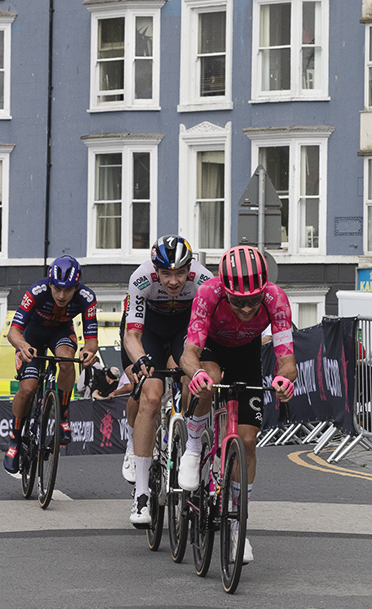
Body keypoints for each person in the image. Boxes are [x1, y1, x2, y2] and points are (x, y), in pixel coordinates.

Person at [179, 245, 296, 564]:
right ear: (225, 290)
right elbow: (189, 352)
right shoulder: (208, 292)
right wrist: (197, 373)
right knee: (209, 378)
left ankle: (236, 526)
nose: (246, 309)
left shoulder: (275, 297)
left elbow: (287, 359)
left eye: (253, 301)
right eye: (238, 302)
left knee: (247, 441)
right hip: (213, 347)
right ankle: (192, 446)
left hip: (247, 353)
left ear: (264, 290)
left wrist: (285, 380)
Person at [123, 235, 213, 527]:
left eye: (179, 273)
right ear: (155, 270)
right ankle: (141, 494)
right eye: (166, 274)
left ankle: (186, 440)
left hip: (183, 330)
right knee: (150, 395)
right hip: (147, 330)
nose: (174, 281)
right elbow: (132, 335)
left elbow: (204, 333)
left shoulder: (203, 279)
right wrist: (141, 360)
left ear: (190, 267)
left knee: (192, 380)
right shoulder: (140, 279)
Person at [3, 255, 99, 474]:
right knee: (28, 387)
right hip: (32, 334)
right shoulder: (36, 292)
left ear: (77, 287)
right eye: (57, 289)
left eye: (68, 290)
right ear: (49, 283)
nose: (62, 295)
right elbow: (13, 332)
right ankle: (14, 441)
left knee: (67, 361)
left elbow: (91, 341)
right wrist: (23, 346)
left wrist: (88, 352)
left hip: (61, 332)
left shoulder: (87, 297)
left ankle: (62, 416)